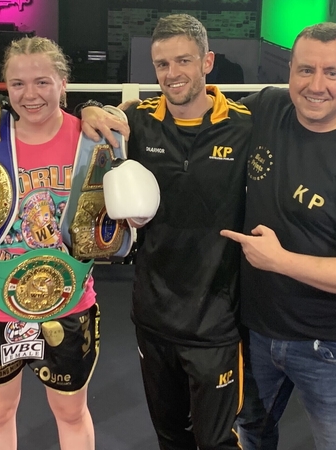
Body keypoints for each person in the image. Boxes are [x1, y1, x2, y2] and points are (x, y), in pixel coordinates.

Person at [221, 22, 336, 449]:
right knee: (251, 433)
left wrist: (280, 260)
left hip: (334, 345)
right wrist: (110, 113)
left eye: (332, 72)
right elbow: (200, 120)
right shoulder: (268, 108)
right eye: (306, 70)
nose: (316, 85)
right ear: (289, 70)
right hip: (257, 329)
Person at [80, 13, 255, 450]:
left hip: (217, 318)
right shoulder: (137, 122)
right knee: (169, 436)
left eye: (183, 61)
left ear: (207, 62)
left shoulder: (245, 125)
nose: (172, 74)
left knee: (217, 442)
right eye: (162, 65)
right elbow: (95, 121)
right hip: (153, 312)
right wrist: (90, 110)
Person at [0, 36, 99, 450]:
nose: (29, 95)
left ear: (63, 83)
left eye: (42, 82)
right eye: (17, 84)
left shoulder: (92, 138)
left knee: (70, 412)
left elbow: (113, 224)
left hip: (68, 299)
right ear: (6, 88)